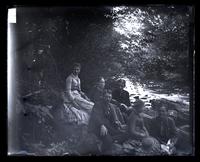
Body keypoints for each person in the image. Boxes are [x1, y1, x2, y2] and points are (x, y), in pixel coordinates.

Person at [88, 89, 129, 154]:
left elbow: (113, 119)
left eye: (109, 97)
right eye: (106, 97)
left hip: (107, 126)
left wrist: (116, 123)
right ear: (103, 97)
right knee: (108, 141)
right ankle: (101, 151)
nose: (108, 99)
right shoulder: (98, 104)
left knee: (125, 134)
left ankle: (112, 139)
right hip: (97, 127)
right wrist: (101, 125)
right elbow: (96, 117)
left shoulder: (110, 106)